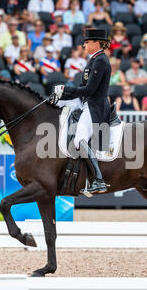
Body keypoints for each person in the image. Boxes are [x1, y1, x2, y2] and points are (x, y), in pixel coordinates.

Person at [48, 28, 112, 194]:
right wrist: (64, 93)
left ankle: (99, 179)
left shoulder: (100, 61)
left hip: (95, 106)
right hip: (88, 103)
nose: (84, 45)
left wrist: (66, 89)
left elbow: (89, 90)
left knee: (79, 140)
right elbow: (83, 88)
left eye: (87, 42)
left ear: (97, 43)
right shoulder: (94, 60)